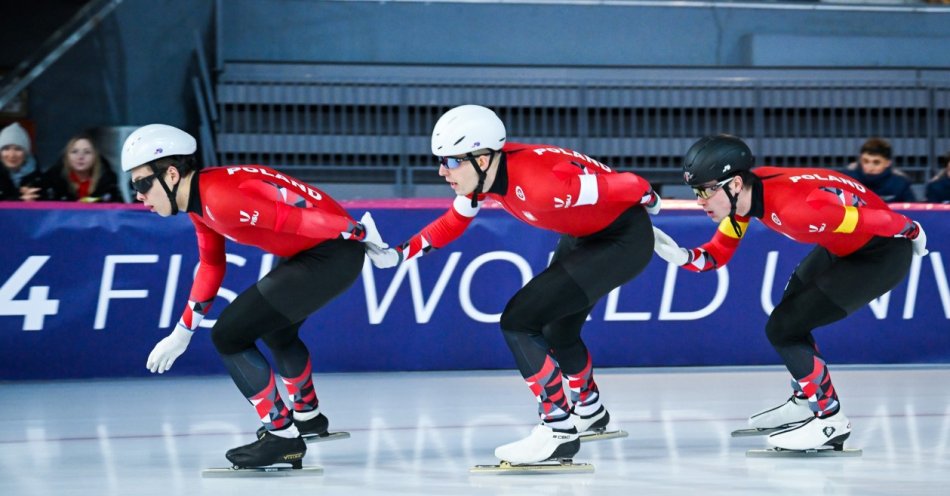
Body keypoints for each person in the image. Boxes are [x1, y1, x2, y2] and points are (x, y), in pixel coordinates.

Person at [364, 105, 661, 465]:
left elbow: (632, 183)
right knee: (556, 327)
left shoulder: (541, 187)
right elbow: (452, 223)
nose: (443, 171)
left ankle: (558, 430)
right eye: (441, 161)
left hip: (621, 241)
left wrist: (653, 202)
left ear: (483, 159)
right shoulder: (485, 175)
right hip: (587, 234)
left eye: (451, 162)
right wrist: (397, 255)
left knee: (519, 321)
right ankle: (590, 411)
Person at [121, 124, 388, 469]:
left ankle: (281, 436)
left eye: (142, 184)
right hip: (320, 250)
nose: (138, 195)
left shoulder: (219, 198)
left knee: (229, 335)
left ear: (171, 174)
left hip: (330, 251)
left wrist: (355, 231)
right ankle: (308, 417)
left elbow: (297, 219)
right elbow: (212, 266)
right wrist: (182, 332)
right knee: (277, 330)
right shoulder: (201, 200)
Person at [653, 134, 927, 452]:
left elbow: (876, 218)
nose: (700, 200)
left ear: (735, 184)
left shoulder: (797, 210)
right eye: (696, 191)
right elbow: (716, 255)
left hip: (881, 254)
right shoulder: (744, 202)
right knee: (790, 311)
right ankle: (804, 401)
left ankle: (830, 420)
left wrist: (912, 230)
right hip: (843, 246)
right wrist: (681, 256)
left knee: (783, 327)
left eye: (705, 190)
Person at [46, 133, 121, 202]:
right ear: (66, 157)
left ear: (95, 157)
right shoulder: (52, 182)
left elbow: (120, 211)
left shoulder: (108, 184)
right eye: (74, 152)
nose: (80, 157)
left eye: (87, 152)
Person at [842, 137, 917, 203]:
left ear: (888, 163)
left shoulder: (900, 183)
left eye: (876, 162)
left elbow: (912, 212)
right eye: (865, 161)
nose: (870, 167)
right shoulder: (846, 179)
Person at [0, 121, 51, 201]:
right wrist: (19, 200)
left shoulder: (40, 179)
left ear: (26, 153)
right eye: (6, 149)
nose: (12, 155)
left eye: (18, 149)